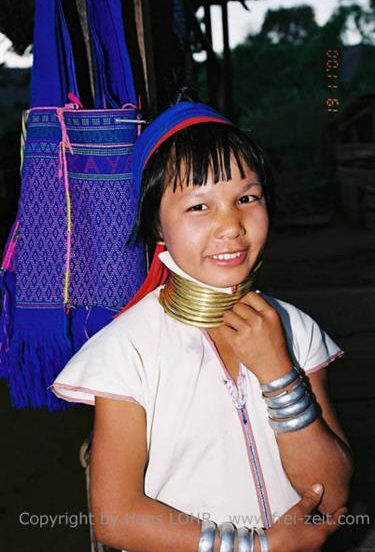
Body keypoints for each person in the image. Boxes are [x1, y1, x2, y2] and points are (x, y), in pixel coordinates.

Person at [50, 100, 354, 552]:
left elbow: (330, 497)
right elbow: (116, 518)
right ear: (156, 223)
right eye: (198, 207)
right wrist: (261, 547)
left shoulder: (296, 330)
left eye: (246, 198)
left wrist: (279, 375)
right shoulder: (127, 349)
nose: (231, 225)